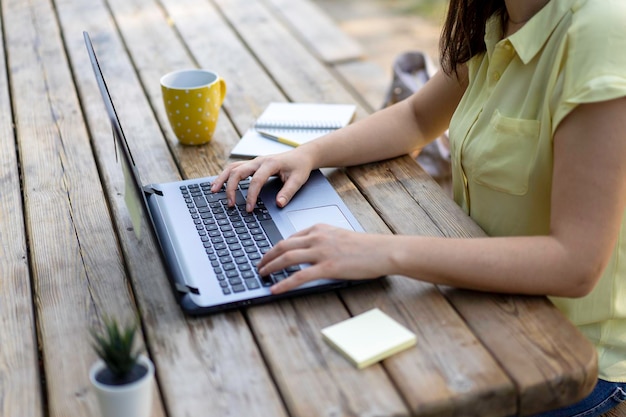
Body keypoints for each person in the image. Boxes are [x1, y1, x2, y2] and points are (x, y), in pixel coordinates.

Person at [212, 0, 626, 415]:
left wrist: (385, 251)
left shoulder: (601, 32)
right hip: (479, 302)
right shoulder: (498, 13)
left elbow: (576, 263)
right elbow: (416, 117)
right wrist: (309, 154)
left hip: (570, 361)